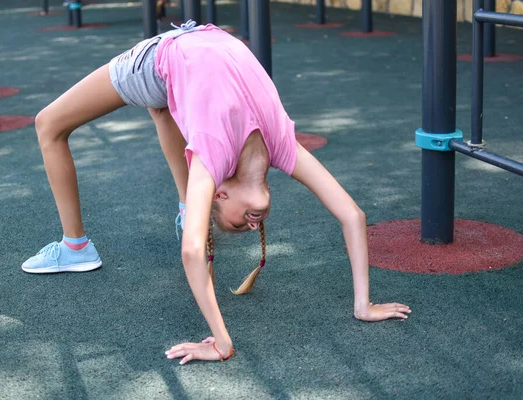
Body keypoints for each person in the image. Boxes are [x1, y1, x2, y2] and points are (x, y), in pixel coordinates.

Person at [22, 21, 411, 365]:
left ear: (217, 195)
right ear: (217, 196)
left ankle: (78, 248)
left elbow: (193, 249)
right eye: (244, 226)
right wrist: (364, 304)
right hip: (180, 49)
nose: (251, 224)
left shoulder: (213, 155)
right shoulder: (281, 143)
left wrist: (221, 343)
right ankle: (89, 244)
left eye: (236, 225)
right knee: (63, 122)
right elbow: (352, 214)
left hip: (175, 54)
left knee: (60, 121)